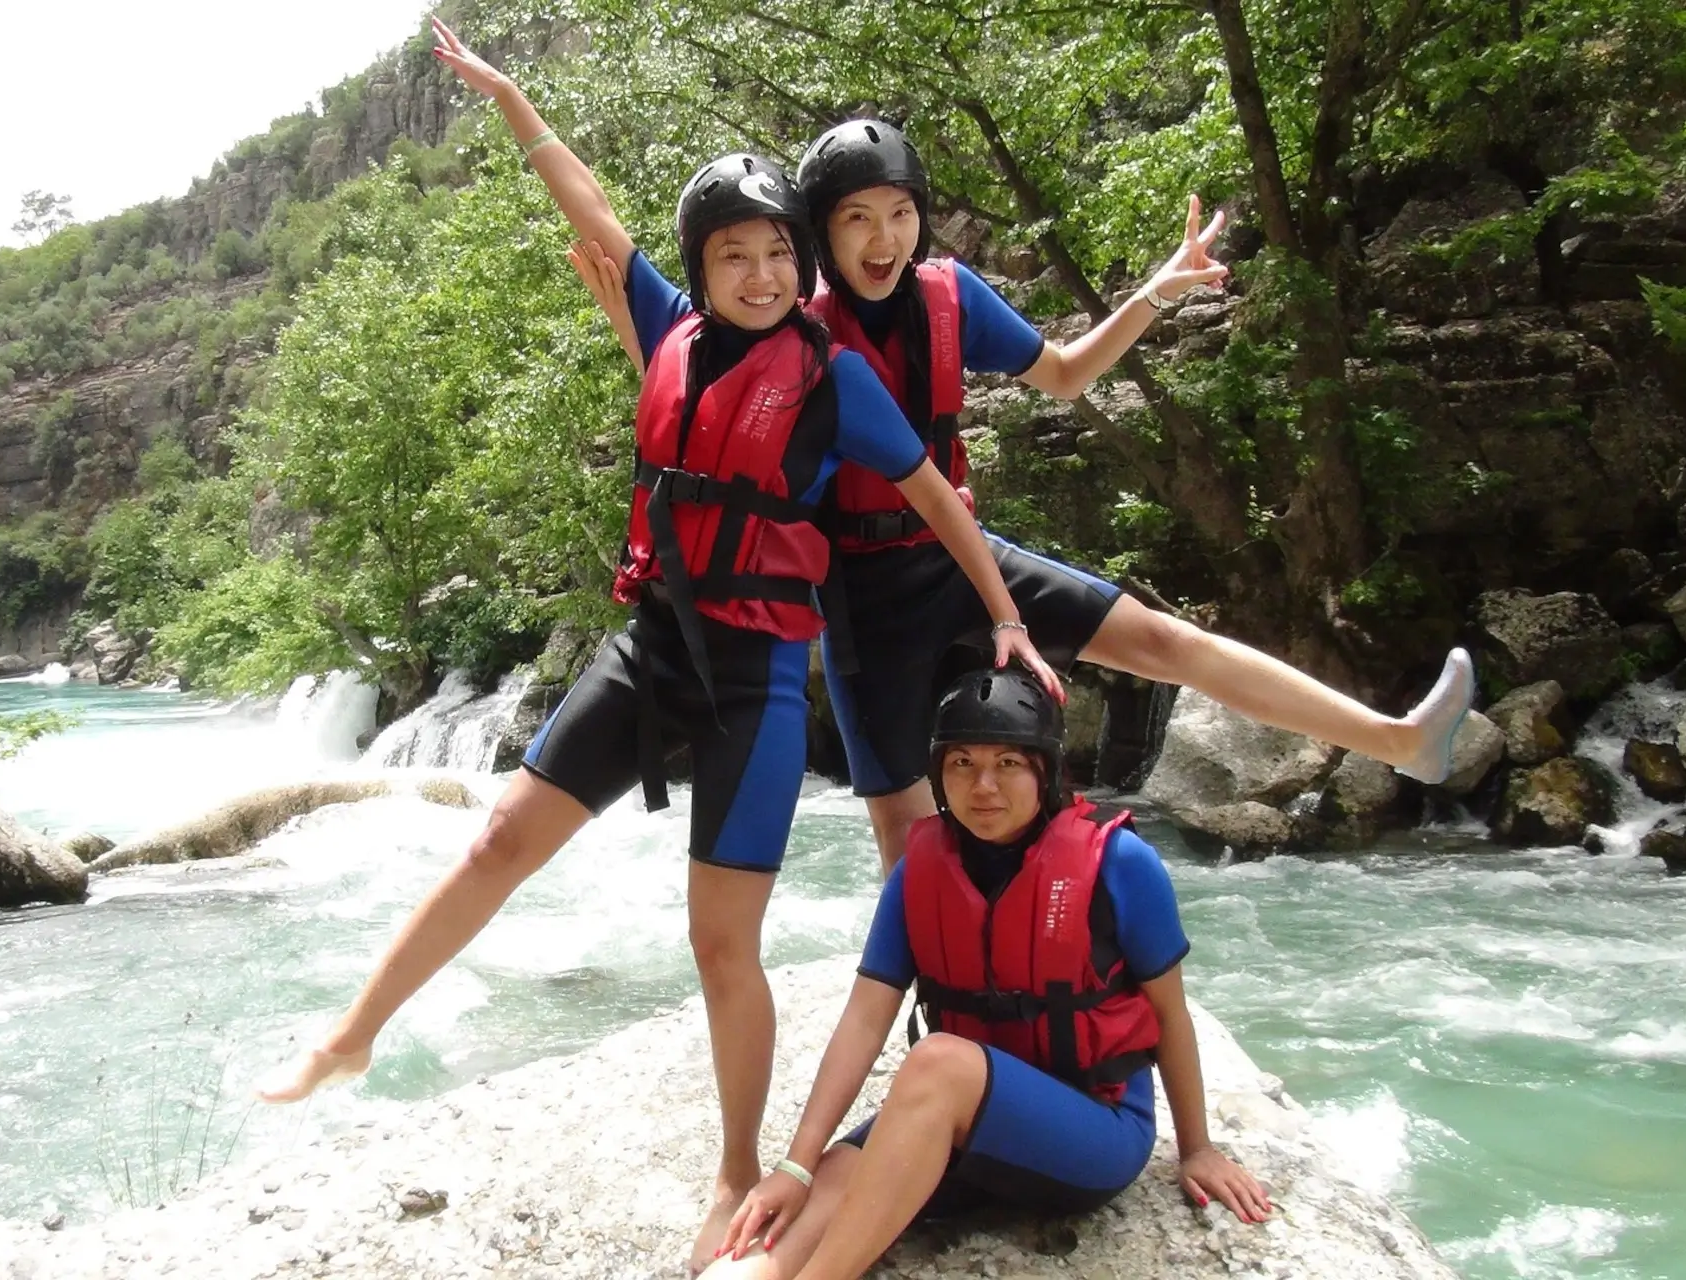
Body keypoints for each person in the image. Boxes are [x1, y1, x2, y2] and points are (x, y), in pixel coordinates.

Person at [255, 22, 1065, 1275]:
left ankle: (736, 1167)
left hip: (757, 681)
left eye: (778, 252)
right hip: (653, 648)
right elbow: (584, 199)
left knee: (719, 943)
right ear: (702, 267)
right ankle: (353, 1032)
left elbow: (935, 498)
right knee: (499, 837)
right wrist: (513, 99)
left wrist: (1004, 612)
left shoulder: (835, 378)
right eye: (734, 254)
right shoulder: (670, 326)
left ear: (802, 262)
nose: (760, 273)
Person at [571, 120, 1477, 874]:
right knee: (904, 840)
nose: (885, 240)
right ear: (819, 234)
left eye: (901, 214)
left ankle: (1399, 739)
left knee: (1163, 641)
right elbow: (704, 402)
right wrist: (627, 319)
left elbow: (1068, 374)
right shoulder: (786, 318)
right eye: (857, 219)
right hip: (859, 600)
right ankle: (935, 1001)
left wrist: (1156, 293)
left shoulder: (949, 296)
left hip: (958, 558)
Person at [697, 668, 1270, 1280]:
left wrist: (1197, 1148)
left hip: (1096, 1127)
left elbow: (1169, 1014)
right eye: (962, 763)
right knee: (827, 1181)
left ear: (1046, 771)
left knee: (939, 1063)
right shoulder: (920, 871)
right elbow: (864, 1019)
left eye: (1009, 763)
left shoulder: (1121, 863)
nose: (984, 786)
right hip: (968, 1119)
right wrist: (796, 1167)